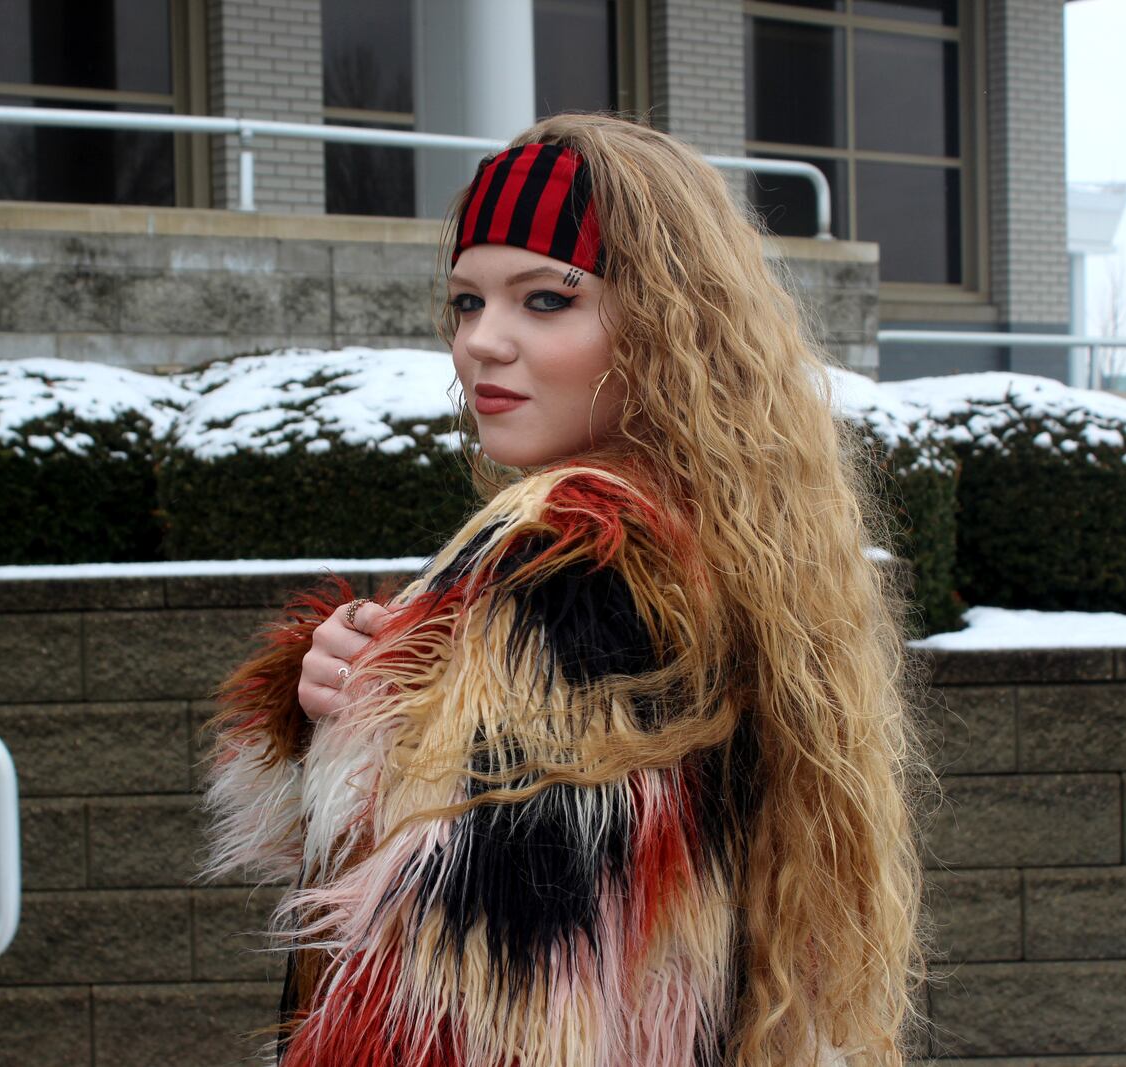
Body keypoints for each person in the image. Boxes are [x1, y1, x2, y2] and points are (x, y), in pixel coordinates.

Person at [201, 113, 929, 1067]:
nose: (482, 343)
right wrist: (346, 698)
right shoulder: (727, 553)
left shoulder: (572, 567)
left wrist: (367, 735)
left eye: (546, 299)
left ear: (669, 324)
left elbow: (462, 1008)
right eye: (467, 302)